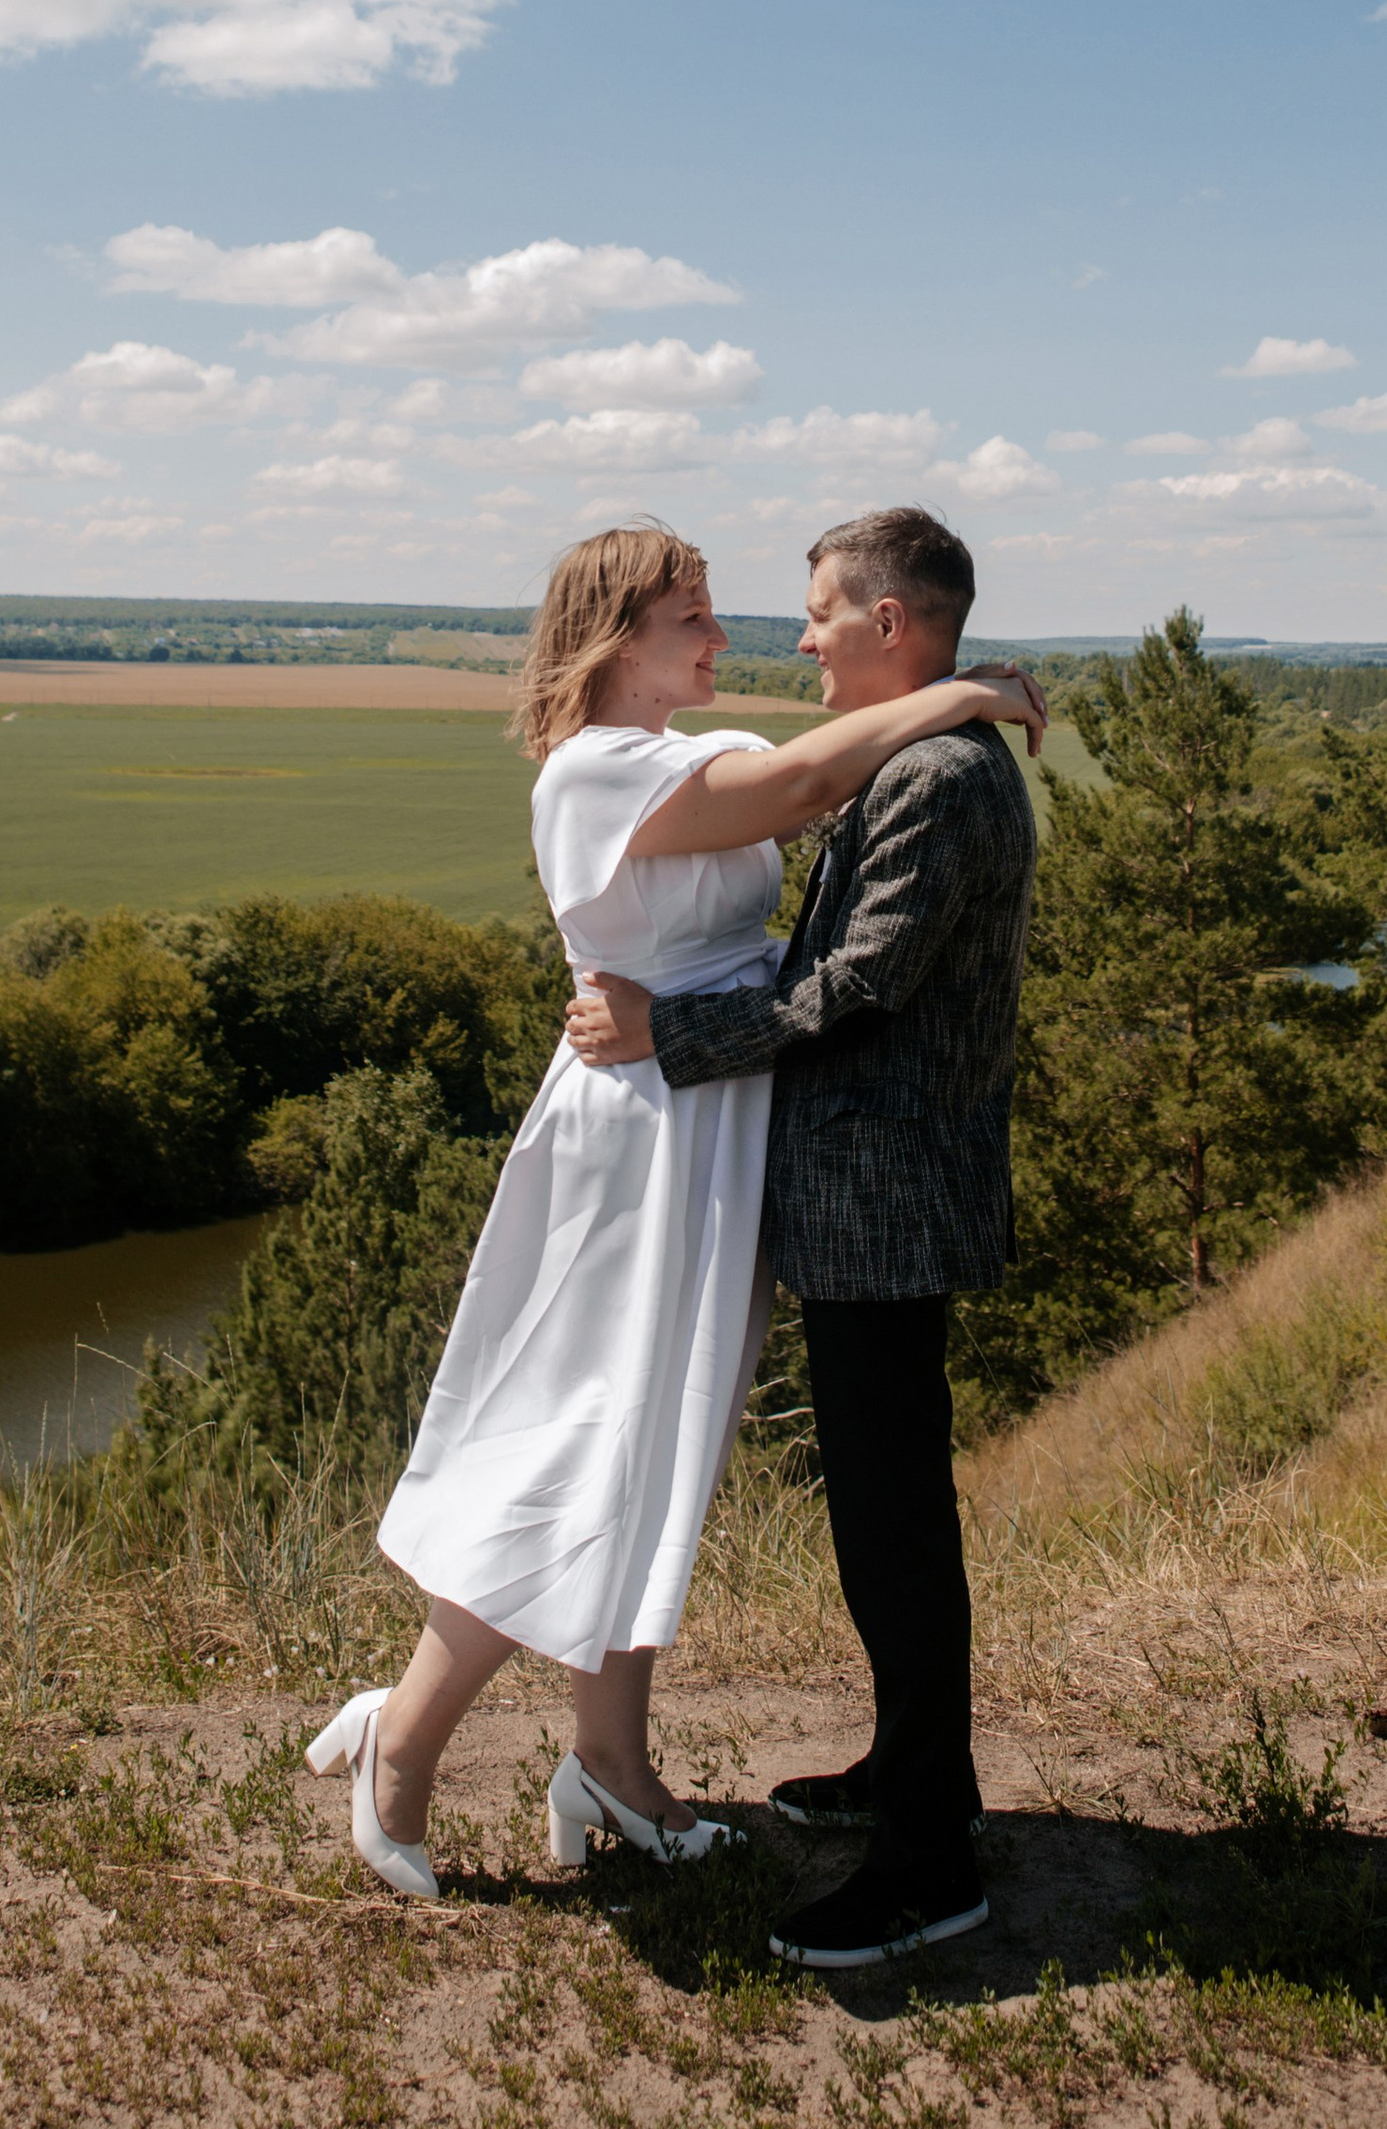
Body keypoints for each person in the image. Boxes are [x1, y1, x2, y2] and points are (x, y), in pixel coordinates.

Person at [303, 520, 1046, 1901]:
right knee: (580, 1436)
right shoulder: (595, 771)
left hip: (706, 1119)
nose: (728, 638)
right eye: (692, 618)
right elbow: (797, 792)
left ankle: (612, 1763)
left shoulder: (669, 754)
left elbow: (792, 893)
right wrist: (962, 692)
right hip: (640, 1127)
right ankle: (400, 1744)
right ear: (615, 638)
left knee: (655, 1454)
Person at [565, 506, 1041, 1971]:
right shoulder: (918, 760)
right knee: (877, 1514)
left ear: (891, 624)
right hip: (867, 1199)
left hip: (885, 1204)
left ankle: (929, 1858)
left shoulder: (942, 782)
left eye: (823, 613)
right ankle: (908, 1772)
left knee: (896, 1527)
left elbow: (857, 991)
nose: (803, 638)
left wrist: (664, 1032)